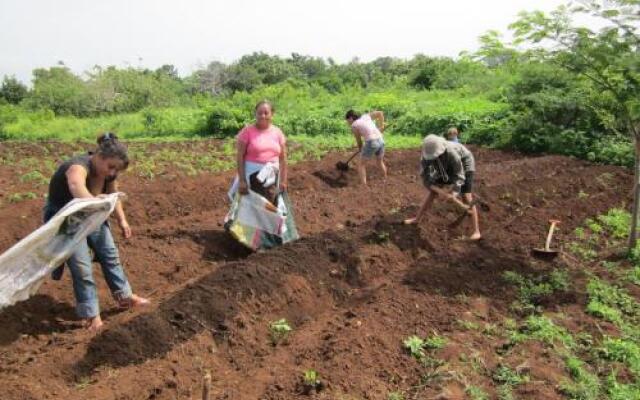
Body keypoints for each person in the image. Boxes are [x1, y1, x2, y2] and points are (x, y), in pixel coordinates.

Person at [44, 132, 149, 331]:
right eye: (110, 167)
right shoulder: (78, 166)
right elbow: (76, 186)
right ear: (99, 157)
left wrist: (123, 220)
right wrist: (95, 202)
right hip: (67, 220)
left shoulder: (109, 174)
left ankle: (125, 296)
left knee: (109, 254)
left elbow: (113, 196)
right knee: (82, 267)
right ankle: (91, 315)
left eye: (116, 170)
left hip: (92, 214)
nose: (111, 173)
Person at [404, 134, 482, 241]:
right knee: (432, 193)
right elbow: (426, 179)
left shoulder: (451, 153)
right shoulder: (426, 158)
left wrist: (453, 194)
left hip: (464, 161)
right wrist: (439, 190)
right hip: (443, 164)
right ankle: (417, 219)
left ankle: (476, 231)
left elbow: (459, 175)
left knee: (466, 194)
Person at [231, 100, 288, 202]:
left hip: (271, 178)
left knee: (268, 208)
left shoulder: (278, 133)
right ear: (255, 114)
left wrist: (283, 180)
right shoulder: (247, 132)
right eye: (260, 113)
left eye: (266, 113)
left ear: (272, 114)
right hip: (252, 177)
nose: (263, 116)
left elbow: (283, 159)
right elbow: (240, 157)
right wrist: (242, 180)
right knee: (249, 210)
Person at [345, 109, 388, 185]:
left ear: (351, 118)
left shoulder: (354, 125)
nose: (347, 122)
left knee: (361, 164)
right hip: (381, 140)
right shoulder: (365, 116)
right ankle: (385, 178)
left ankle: (363, 186)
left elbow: (359, 140)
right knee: (379, 161)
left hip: (372, 142)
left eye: (347, 120)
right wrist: (382, 126)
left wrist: (360, 149)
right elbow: (380, 113)